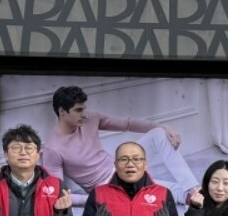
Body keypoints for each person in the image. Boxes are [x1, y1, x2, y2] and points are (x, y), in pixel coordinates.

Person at [39, 84, 200, 206]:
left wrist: (162, 127)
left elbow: (127, 124)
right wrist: (90, 199)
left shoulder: (90, 119)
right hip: (107, 186)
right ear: (62, 111)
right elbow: (57, 193)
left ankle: (194, 189)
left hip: (119, 164)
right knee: (166, 190)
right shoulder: (52, 149)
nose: (84, 114)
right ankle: (193, 199)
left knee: (158, 133)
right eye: (78, 110)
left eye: (84, 109)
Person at [74, 141, 181, 216]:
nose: (130, 164)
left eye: (137, 159)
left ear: (145, 164)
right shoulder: (99, 193)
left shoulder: (163, 194)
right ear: (115, 164)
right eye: (124, 159)